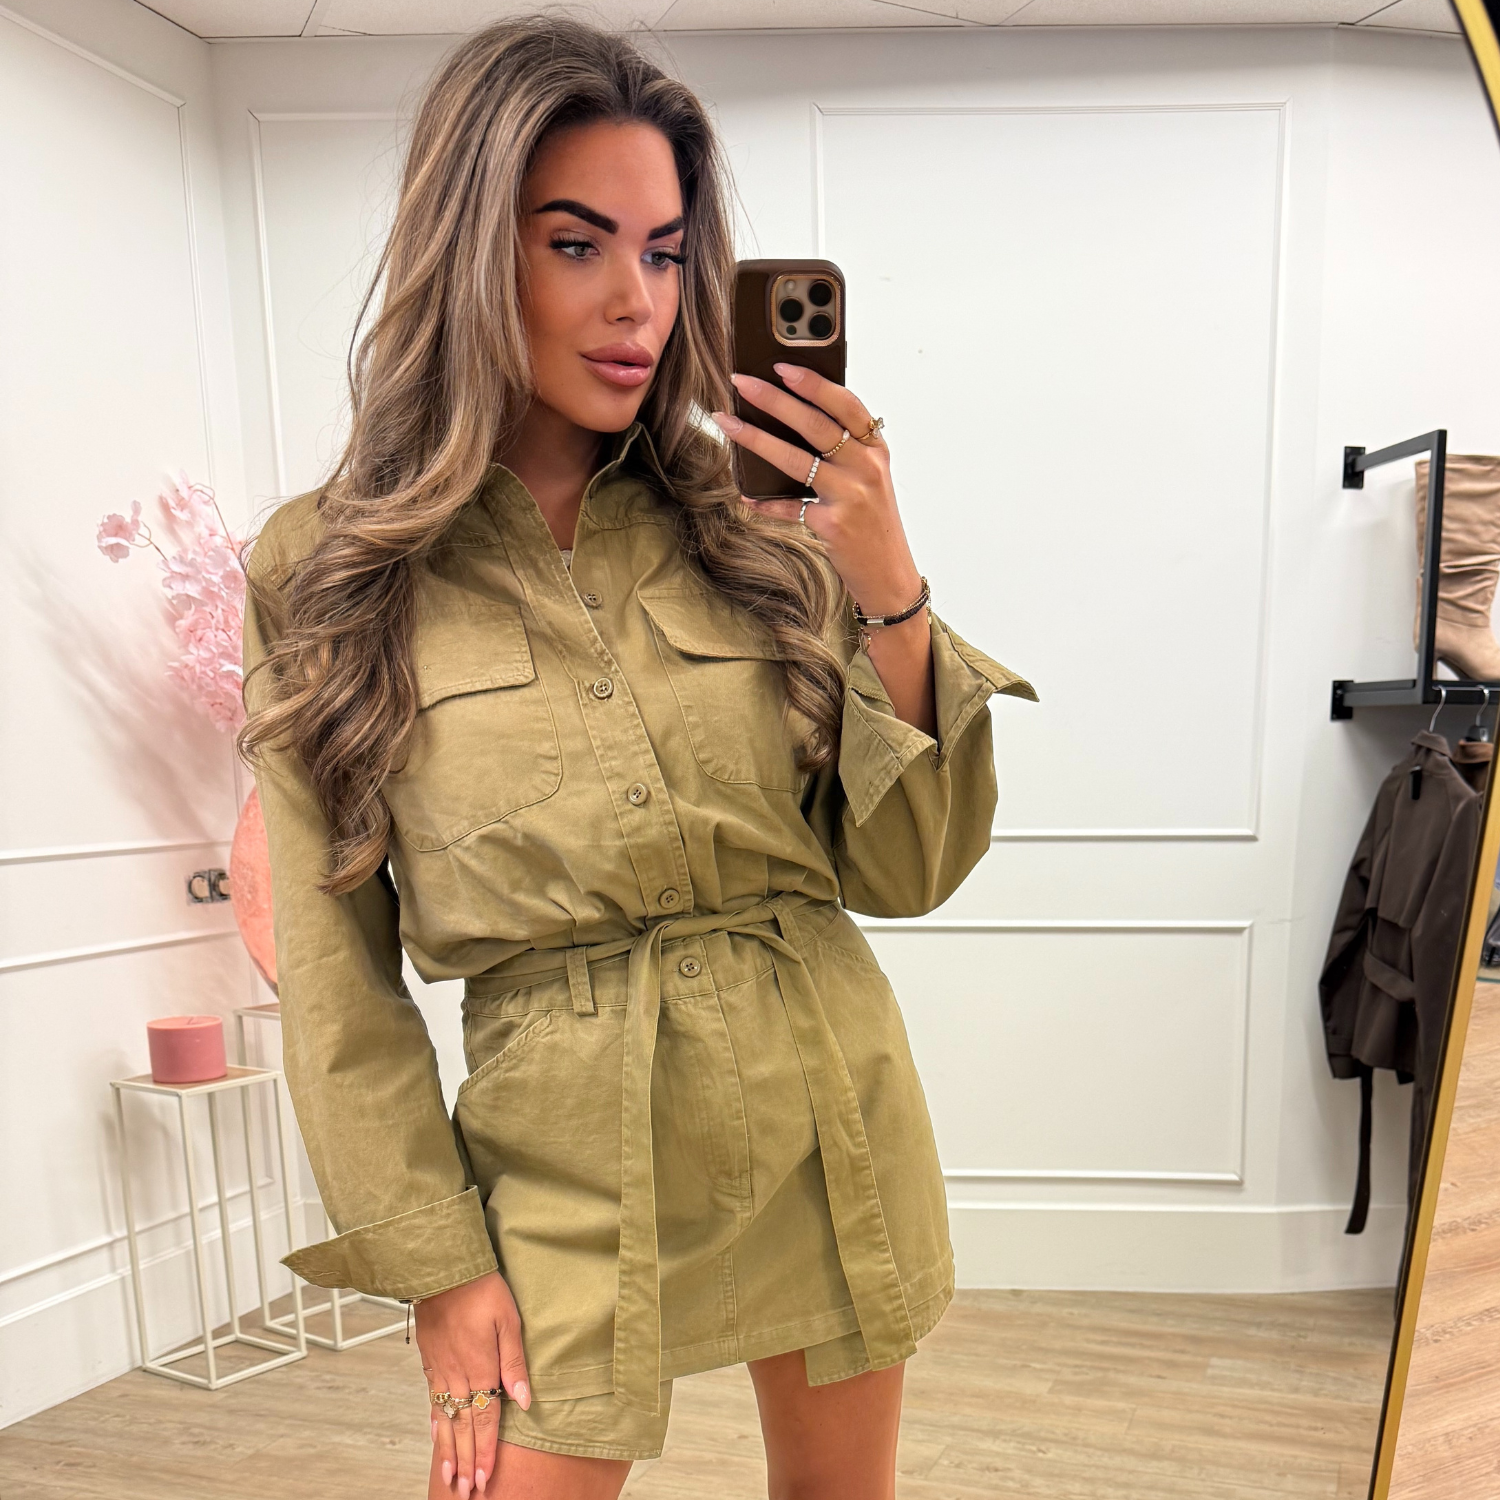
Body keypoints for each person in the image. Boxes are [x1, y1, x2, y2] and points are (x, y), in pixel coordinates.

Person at [239, 15, 1033, 1500]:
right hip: (559, 1158)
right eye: (577, 244)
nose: (638, 303)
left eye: (667, 255)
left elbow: (909, 868)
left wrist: (885, 581)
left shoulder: (756, 529)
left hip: (826, 1108)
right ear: (470, 252)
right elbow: (338, 978)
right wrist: (435, 1264)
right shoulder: (326, 571)